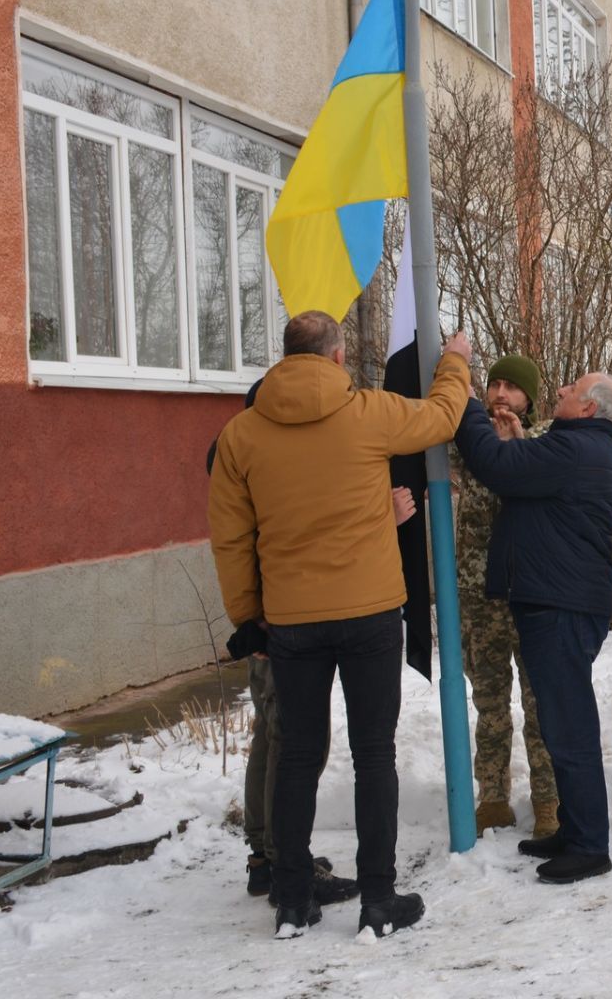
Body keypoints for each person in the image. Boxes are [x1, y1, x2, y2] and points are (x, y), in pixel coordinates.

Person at [208, 311, 471, 939]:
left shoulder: (241, 435)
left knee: (297, 756)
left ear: (285, 356)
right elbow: (441, 417)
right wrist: (455, 362)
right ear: (336, 357)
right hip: (370, 614)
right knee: (374, 755)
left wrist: (248, 618)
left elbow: (230, 539)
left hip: (292, 621)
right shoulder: (369, 412)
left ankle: (292, 900)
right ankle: (378, 901)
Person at [454, 371, 612, 884]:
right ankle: (574, 831)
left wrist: (466, 403)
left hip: (561, 607)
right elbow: (527, 482)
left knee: (570, 729)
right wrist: (516, 447)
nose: (560, 392)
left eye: (571, 390)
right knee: (558, 722)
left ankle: (590, 846)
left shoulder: (576, 449)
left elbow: (495, 465)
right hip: (556, 602)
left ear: (589, 408)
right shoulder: (578, 446)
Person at [206, 380, 360, 910]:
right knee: (292, 740)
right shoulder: (257, 459)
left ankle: (266, 857)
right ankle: (281, 860)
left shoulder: (236, 454)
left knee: (272, 737)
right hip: (280, 621)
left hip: (269, 618)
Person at [452, 354, 558, 840]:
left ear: (528, 399)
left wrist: (515, 443)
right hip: (480, 597)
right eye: (494, 384)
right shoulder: (471, 443)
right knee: (489, 701)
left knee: (541, 703)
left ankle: (548, 801)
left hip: (530, 594)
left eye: (511, 387)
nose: (499, 394)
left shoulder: (546, 443)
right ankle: (493, 797)